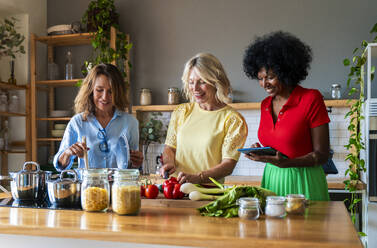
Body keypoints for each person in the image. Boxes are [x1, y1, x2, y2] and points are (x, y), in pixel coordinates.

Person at [242, 31, 330, 201]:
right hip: (272, 178)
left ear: (286, 72)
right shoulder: (265, 105)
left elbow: (322, 154)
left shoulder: (311, 98)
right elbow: (278, 145)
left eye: (271, 77)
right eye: (260, 78)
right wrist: (261, 151)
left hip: (303, 181)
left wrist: (287, 163)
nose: (264, 84)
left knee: (307, 227)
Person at [160, 53, 248, 184]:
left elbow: (228, 165)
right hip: (175, 190)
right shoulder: (182, 112)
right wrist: (169, 163)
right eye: (191, 82)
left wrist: (199, 178)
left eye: (202, 82)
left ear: (216, 82)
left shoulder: (233, 119)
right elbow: (170, 148)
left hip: (207, 193)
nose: (195, 88)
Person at [53, 63, 143, 171]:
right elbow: (59, 165)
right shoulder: (77, 122)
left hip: (118, 187)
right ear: (90, 90)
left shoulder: (130, 123)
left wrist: (137, 162)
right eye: (99, 90)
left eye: (111, 91)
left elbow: (131, 166)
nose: (105, 97)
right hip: (88, 187)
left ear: (118, 93)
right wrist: (67, 153)